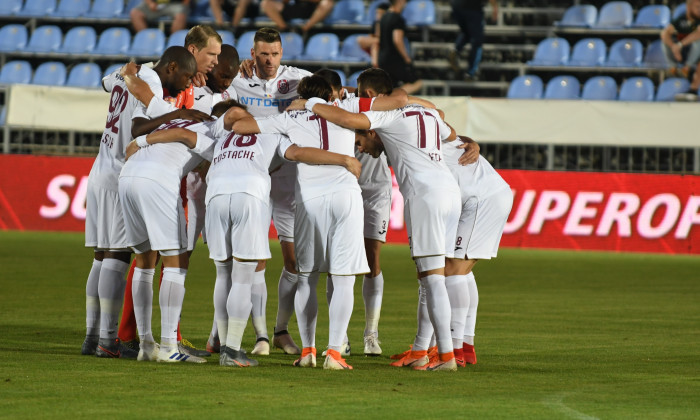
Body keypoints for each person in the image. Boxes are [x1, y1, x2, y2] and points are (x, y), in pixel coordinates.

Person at [302, 76, 462, 371]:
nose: (361, 147)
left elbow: (348, 117)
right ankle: (421, 351)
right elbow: (450, 131)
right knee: (429, 278)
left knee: (433, 279)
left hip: (425, 195)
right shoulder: (427, 113)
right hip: (452, 192)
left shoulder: (385, 115)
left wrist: (313, 103)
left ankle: (448, 357)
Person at [230, 75, 370, 370]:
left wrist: (278, 121)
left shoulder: (288, 117)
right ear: (332, 94)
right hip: (346, 194)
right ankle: (334, 353)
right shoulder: (345, 110)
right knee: (343, 277)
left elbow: (240, 126)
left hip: (310, 199)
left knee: (307, 276)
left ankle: (308, 351)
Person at [81, 47, 211, 359]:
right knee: (117, 256)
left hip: (100, 167)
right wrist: (178, 113)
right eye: (184, 78)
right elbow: (142, 125)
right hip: (119, 171)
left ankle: (93, 335)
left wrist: (128, 71)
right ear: (171, 67)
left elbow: (104, 81)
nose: (186, 87)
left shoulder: (128, 74)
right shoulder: (150, 80)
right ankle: (107, 340)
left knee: (101, 257)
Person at [117, 26, 223, 358]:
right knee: (175, 263)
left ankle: (147, 344)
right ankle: (169, 346)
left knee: (145, 261)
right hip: (157, 180)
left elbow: (152, 123)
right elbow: (195, 145)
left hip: (129, 175)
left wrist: (141, 141)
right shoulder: (209, 132)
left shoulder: (167, 106)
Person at [221, 27, 314, 357]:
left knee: (294, 263)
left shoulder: (299, 80)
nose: (270, 60)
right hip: (251, 178)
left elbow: (332, 91)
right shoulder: (236, 80)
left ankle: (279, 331)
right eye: (263, 54)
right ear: (253, 54)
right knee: (250, 260)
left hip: (288, 179)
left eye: (275, 53)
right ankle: (253, 335)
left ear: (282, 53)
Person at [443, 135, 512, 366]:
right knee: (463, 270)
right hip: (490, 193)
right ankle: (466, 345)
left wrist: (471, 141)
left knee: (452, 269)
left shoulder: (406, 128)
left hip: (482, 198)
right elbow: (449, 128)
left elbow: (442, 119)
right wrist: (471, 141)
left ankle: (454, 350)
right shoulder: (429, 127)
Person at [377, 0, 422, 94]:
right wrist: (406, 58)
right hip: (394, 59)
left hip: (382, 58)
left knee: (391, 85)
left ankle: (389, 100)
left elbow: (378, 37)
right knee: (417, 83)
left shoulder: (384, 17)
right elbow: (397, 40)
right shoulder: (397, 18)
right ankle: (393, 98)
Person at [447, 0, 498, 81]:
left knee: (467, 32)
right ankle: (471, 73)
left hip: (456, 6)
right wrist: (495, 8)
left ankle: (455, 50)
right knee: (477, 41)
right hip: (472, 8)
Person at [660, 0, 700, 79]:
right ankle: (672, 67)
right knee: (665, 42)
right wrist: (673, 47)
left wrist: (680, 45)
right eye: (697, 7)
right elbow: (664, 33)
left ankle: (687, 68)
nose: (699, 10)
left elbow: (698, 34)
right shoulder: (681, 19)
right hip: (680, 53)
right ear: (689, 7)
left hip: (695, 55)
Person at [260, 0, 335, 35]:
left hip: (312, 10)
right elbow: (284, 1)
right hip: (294, 8)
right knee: (266, 3)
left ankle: (305, 29)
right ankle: (285, 28)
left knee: (327, 3)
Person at [356, 2, 389, 68]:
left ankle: (375, 67)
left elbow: (384, 39)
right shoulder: (375, 23)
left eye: (381, 13)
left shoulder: (388, 23)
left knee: (375, 46)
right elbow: (372, 38)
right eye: (377, 13)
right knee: (361, 39)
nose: (378, 15)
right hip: (376, 46)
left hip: (385, 48)